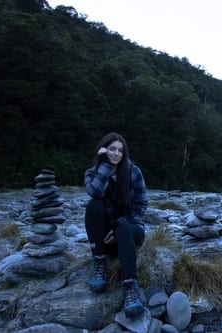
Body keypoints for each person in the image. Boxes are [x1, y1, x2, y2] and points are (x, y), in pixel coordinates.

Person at [83, 132, 148, 317]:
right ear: (103, 151)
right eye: (112, 149)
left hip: (130, 230)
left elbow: (141, 205)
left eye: (120, 150)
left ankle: (130, 288)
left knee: (124, 228)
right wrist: (105, 165)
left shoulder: (133, 172)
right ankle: (99, 264)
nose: (117, 154)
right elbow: (95, 192)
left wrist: (118, 226)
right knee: (93, 205)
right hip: (105, 238)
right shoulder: (91, 173)